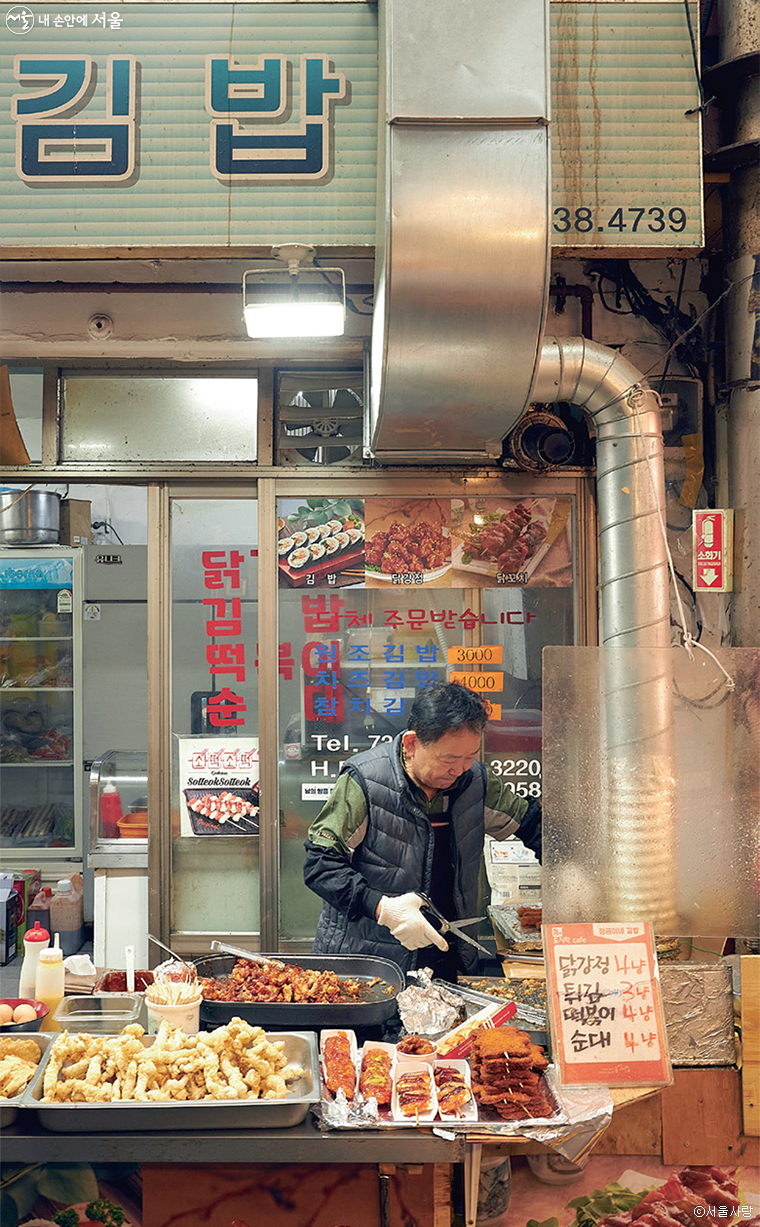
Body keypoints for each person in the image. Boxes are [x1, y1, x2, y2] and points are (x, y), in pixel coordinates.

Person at [303, 681, 542, 977]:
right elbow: (320, 866)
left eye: (470, 756)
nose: (460, 769)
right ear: (412, 744)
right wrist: (384, 910)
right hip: (368, 966)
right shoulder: (365, 781)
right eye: (449, 759)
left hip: (448, 955)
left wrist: (573, 877)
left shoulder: (476, 783)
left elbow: (533, 824)